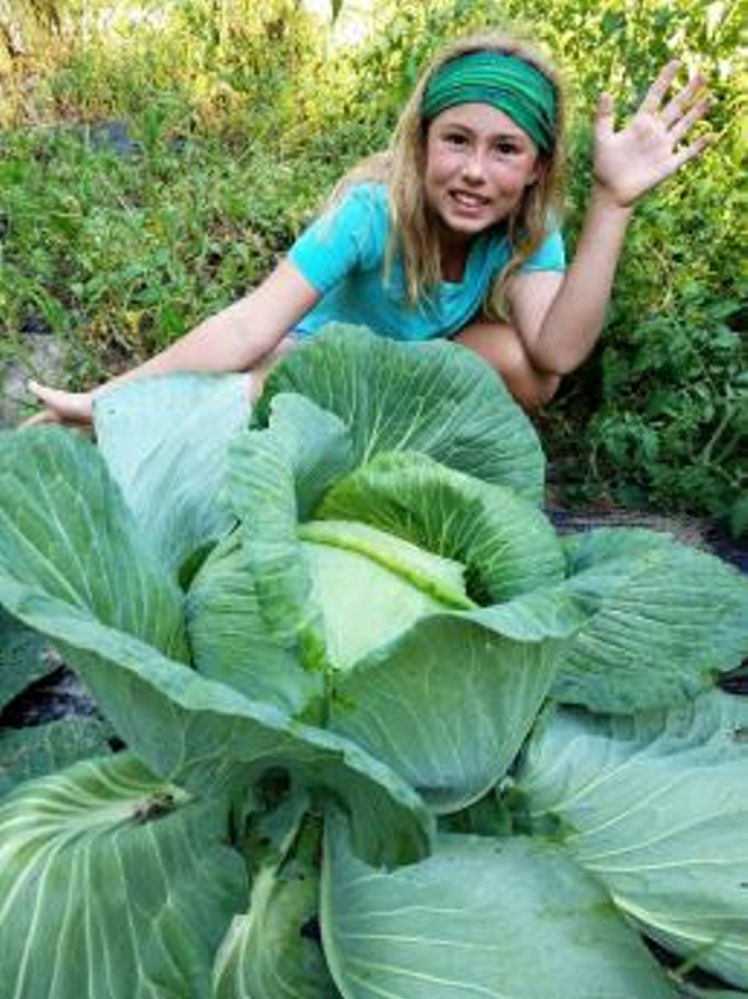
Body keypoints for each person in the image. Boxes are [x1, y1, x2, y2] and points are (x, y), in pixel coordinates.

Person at [25, 29, 711, 426]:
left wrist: (614, 203)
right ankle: (175, 420)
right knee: (282, 376)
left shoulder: (528, 228)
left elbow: (557, 352)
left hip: (397, 376)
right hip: (306, 365)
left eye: (505, 150)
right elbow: (247, 326)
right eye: (457, 140)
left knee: (530, 370)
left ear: (536, 168)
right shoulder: (369, 212)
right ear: (421, 144)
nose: (475, 170)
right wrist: (107, 402)